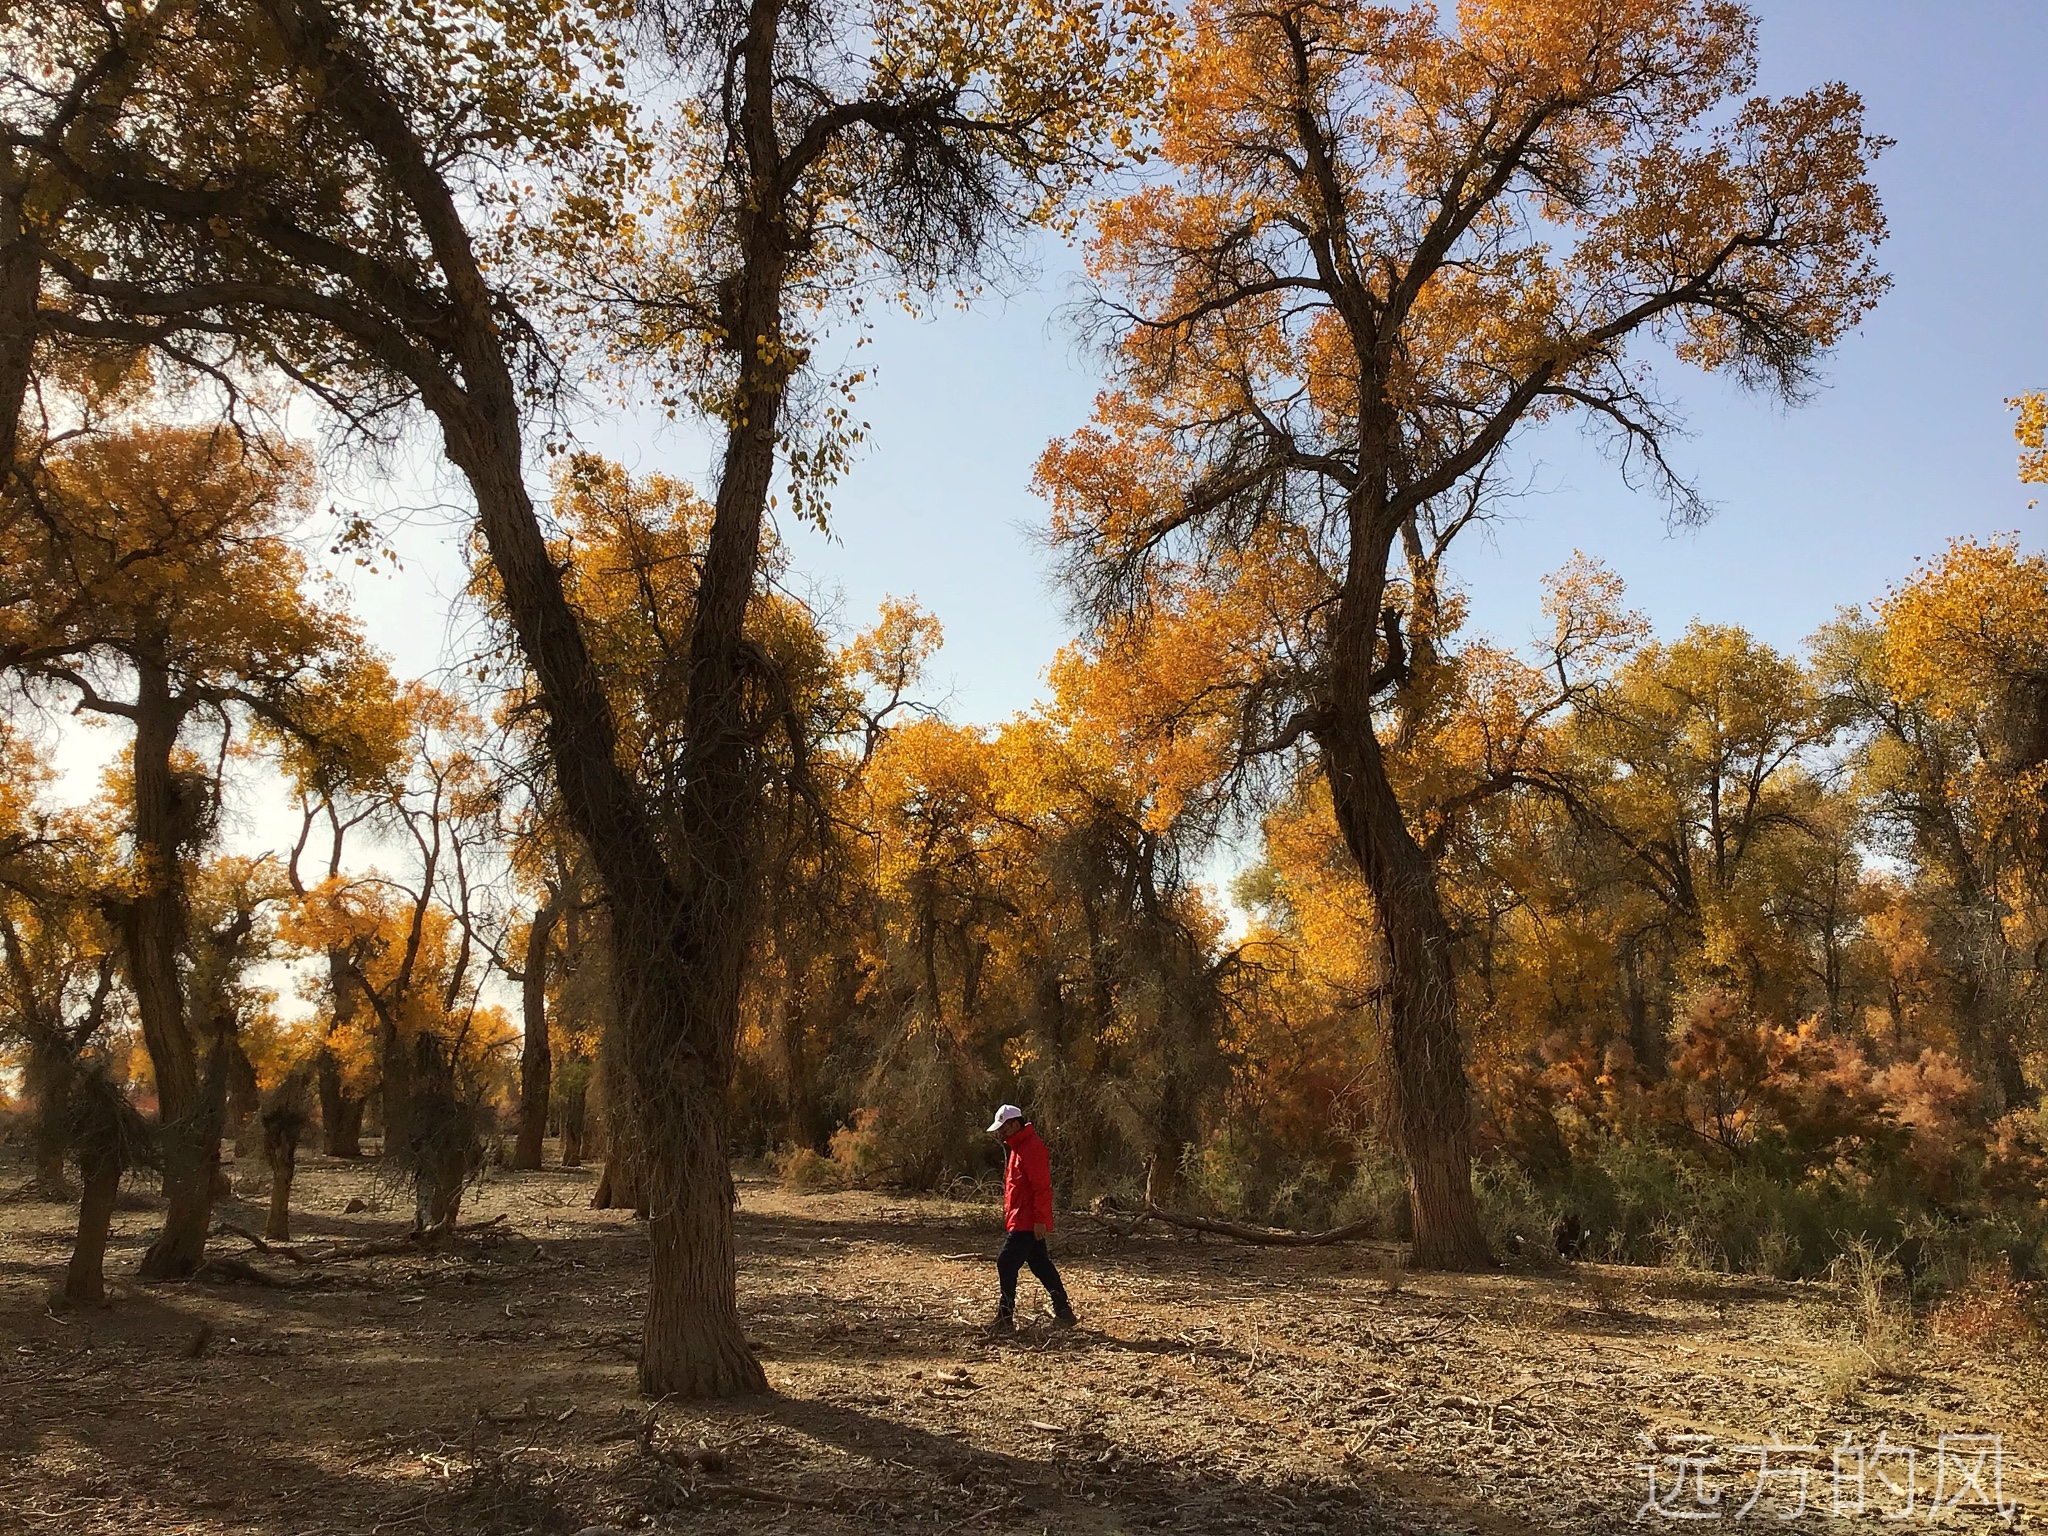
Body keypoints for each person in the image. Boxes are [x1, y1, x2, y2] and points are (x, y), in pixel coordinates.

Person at [985, 1104, 1076, 1334]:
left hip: (1027, 1221)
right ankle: (1064, 1312)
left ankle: (1005, 1318)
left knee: (1006, 1262)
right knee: (1040, 1264)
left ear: (1015, 1124)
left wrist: (1040, 1220)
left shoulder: (1031, 1148)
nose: (1001, 1134)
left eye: (1003, 1129)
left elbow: (1042, 1187)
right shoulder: (1020, 1147)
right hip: (1022, 1218)